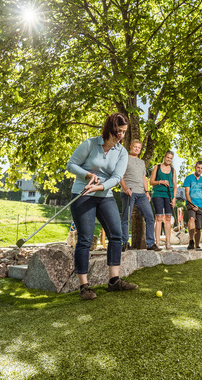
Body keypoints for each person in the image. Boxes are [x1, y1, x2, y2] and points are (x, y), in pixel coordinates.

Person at [66, 113, 137, 300]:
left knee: (117, 235)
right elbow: (71, 165)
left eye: (124, 132)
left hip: (104, 195)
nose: (121, 135)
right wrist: (88, 175)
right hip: (83, 194)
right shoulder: (90, 144)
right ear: (110, 129)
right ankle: (84, 286)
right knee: (85, 238)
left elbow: (116, 177)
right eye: (119, 131)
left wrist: (100, 186)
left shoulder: (121, 152)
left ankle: (114, 281)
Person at [120, 140, 160, 252]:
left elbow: (143, 177)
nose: (137, 149)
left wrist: (147, 192)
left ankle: (150, 244)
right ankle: (124, 243)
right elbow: (119, 175)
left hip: (141, 193)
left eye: (139, 147)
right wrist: (125, 188)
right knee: (126, 218)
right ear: (131, 147)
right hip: (129, 192)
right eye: (135, 147)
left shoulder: (142, 162)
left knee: (150, 217)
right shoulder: (124, 159)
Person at [149, 151, 177, 250]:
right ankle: (157, 243)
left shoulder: (173, 170)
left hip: (168, 196)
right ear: (164, 157)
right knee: (159, 218)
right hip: (158, 194)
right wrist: (160, 181)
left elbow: (175, 186)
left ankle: (168, 243)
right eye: (167, 157)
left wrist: (174, 198)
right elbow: (151, 182)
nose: (169, 159)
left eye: (171, 158)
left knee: (168, 218)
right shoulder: (157, 167)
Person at [183, 161, 202, 250]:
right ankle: (191, 241)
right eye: (198, 168)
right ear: (195, 167)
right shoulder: (189, 178)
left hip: (201, 205)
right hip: (191, 204)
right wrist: (192, 204)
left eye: (201, 168)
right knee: (191, 219)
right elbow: (187, 193)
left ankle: (197, 244)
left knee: (199, 226)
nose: (200, 170)